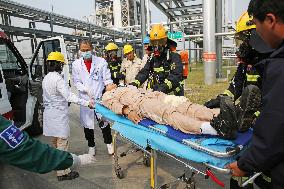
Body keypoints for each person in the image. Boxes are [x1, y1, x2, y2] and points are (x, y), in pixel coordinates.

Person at [227, 1, 284, 188]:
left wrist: (248, 163)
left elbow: (274, 118)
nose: (243, 45)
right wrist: (224, 99)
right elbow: (236, 85)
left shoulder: (275, 63)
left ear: (270, 21)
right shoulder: (256, 62)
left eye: (247, 38)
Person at [101, 85, 244, 139]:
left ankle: (224, 117)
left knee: (186, 105)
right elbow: (112, 104)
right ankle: (214, 129)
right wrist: (126, 111)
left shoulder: (127, 85)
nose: (110, 82)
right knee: (170, 114)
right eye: (107, 84)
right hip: (142, 104)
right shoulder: (108, 95)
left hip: (155, 95)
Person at [42, 52, 94, 181]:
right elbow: (69, 96)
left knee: (55, 142)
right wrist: (87, 103)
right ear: (58, 64)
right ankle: (63, 173)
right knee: (62, 143)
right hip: (58, 115)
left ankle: (57, 165)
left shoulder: (46, 78)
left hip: (49, 114)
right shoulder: (58, 79)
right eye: (61, 64)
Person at [0, 115, 96, 175]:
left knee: (57, 142)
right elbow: (25, 150)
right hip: (60, 118)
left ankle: (62, 171)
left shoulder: (46, 82)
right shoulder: (59, 82)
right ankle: (63, 173)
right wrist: (74, 160)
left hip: (52, 118)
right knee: (62, 143)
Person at [72, 40, 114, 156]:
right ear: (80, 51)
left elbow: (107, 79)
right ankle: (91, 146)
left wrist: (109, 87)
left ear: (92, 49)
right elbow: (76, 81)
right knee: (87, 124)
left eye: (87, 50)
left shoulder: (101, 62)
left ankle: (109, 143)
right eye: (83, 50)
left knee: (104, 123)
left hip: (99, 98)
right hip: (86, 98)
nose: (85, 52)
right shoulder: (76, 64)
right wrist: (85, 89)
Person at [130, 24, 184, 96]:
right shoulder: (153, 58)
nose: (156, 45)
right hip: (158, 91)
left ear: (165, 41)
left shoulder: (174, 56)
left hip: (172, 93)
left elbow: (176, 76)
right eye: (154, 42)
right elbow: (145, 72)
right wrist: (135, 83)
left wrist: (162, 88)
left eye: (160, 42)